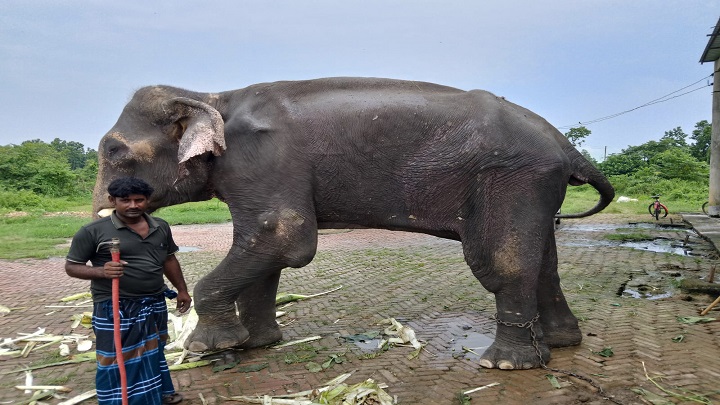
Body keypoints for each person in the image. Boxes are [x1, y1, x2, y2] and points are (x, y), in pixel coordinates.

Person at [65, 177, 191, 405]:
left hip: (154, 302)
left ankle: (159, 394)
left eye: (139, 200)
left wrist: (182, 289)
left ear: (147, 201)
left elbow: (169, 259)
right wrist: (102, 272)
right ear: (113, 200)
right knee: (116, 357)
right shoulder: (93, 231)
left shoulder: (160, 226)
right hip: (115, 305)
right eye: (125, 200)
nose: (133, 205)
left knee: (154, 350)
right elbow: (72, 267)